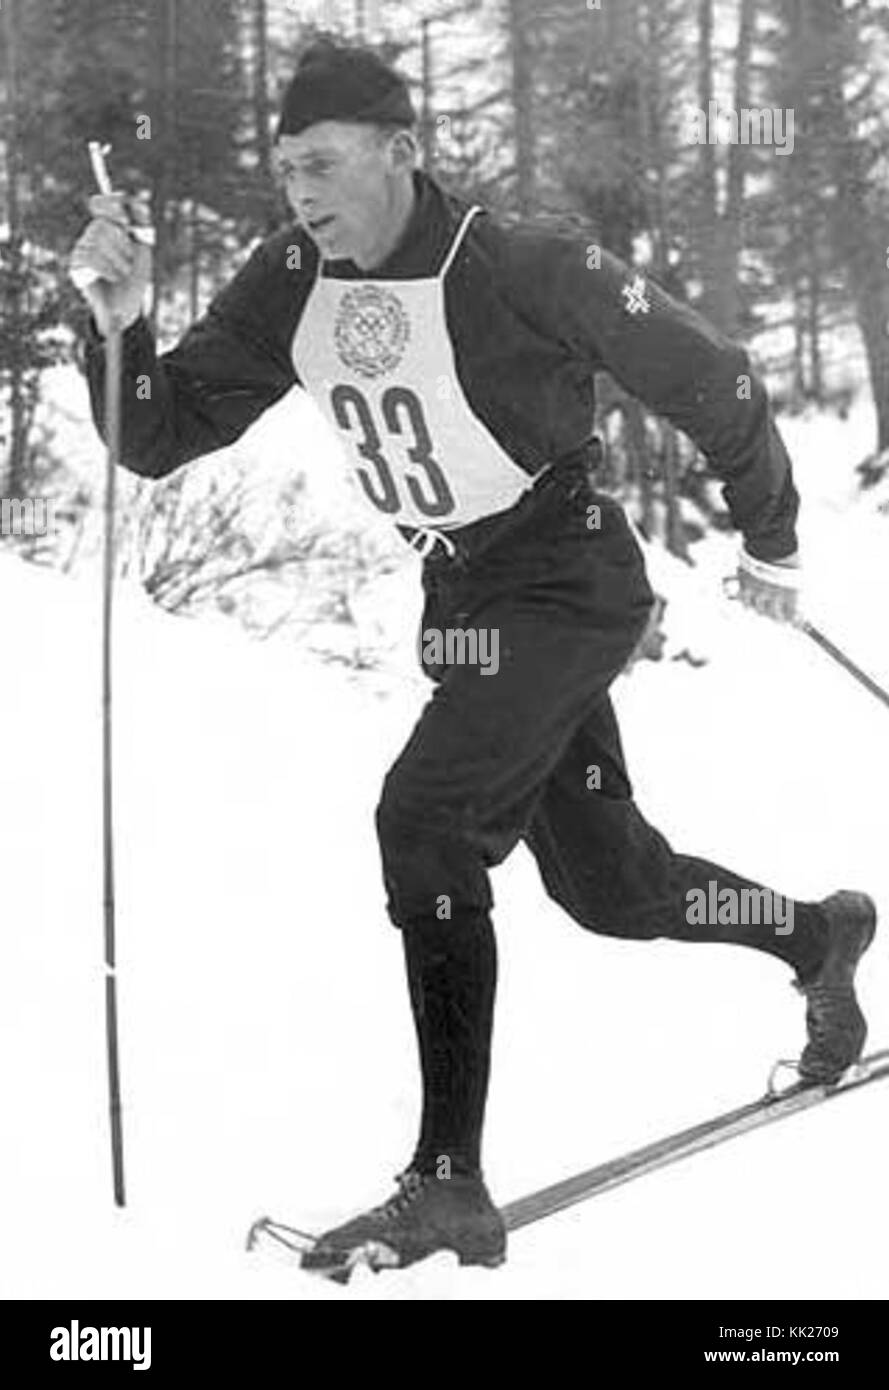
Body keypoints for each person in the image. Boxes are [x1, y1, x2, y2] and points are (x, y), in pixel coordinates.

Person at [70, 39, 875, 1275]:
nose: (301, 193)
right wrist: (112, 324)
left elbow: (714, 375)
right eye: (286, 170)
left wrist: (769, 534)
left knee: (426, 820)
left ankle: (447, 1180)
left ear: (402, 150)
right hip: (467, 597)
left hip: (569, 569)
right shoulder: (290, 277)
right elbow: (156, 435)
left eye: (324, 164)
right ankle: (816, 935)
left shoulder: (517, 260)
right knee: (615, 889)